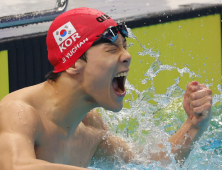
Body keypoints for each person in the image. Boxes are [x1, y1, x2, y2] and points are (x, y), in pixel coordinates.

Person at [0, 7, 212, 170]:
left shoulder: (88, 126)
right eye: (112, 49)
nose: (127, 56)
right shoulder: (19, 111)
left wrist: (193, 126)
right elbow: (15, 166)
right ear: (74, 63)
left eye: (125, 47)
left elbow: (144, 164)